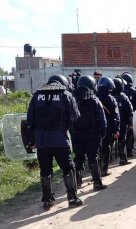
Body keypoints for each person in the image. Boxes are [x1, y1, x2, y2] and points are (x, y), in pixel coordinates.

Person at [26, 74, 83, 210]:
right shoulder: (66, 95)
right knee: (68, 168)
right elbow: (75, 116)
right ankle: (72, 198)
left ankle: (47, 200)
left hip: (42, 141)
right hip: (60, 140)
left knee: (45, 170)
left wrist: (32, 140)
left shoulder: (36, 96)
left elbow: (30, 121)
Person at [71, 75, 107, 191]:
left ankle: (78, 181)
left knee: (78, 158)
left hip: (76, 134)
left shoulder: (72, 99)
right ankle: (97, 183)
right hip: (93, 134)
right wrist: (103, 133)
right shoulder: (95, 100)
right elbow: (102, 119)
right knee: (93, 157)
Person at [96, 76, 120, 177]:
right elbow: (115, 116)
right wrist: (116, 130)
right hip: (108, 128)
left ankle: (96, 172)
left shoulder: (94, 97)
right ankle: (104, 170)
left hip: (95, 129)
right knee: (106, 148)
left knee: (97, 150)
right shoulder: (111, 99)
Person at [121, 72, 136, 157]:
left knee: (122, 134)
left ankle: (122, 153)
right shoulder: (134, 91)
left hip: (122, 115)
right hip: (131, 115)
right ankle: (129, 151)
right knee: (130, 133)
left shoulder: (121, 91)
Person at [112, 77, 134, 165]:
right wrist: (130, 122)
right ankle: (122, 158)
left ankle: (106, 161)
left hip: (110, 124)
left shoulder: (108, 96)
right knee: (122, 140)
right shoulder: (123, 97)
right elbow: (130, 110)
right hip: (122, 123)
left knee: (108, 142)